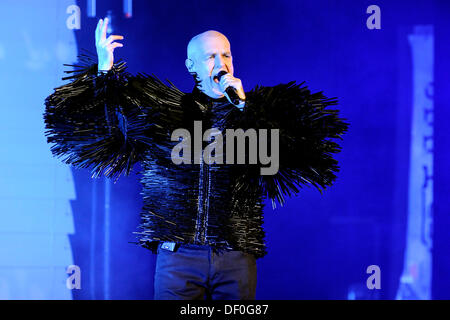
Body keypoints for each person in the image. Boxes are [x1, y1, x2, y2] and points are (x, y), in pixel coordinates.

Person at [44, 17, 348, 300]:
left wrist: (243, 109)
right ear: (192, 65)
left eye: (226, 55)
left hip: (235, 255)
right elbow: (104, 126)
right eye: (210, 57)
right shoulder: (165, 114)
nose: (221, 64)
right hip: (178, 256)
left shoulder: (252, 111)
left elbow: (276, 156)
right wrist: (104, 72)